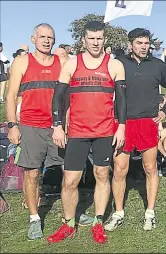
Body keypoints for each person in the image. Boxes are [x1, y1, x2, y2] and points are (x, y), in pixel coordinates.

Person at [47, 21, 126, 244]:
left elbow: (122, 100)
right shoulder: (72, 64)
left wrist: (121, 126)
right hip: (78, 131)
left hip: (104, 130)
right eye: (91, 38)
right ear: (84, 40)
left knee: (102, 175)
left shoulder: (115, 65)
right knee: (70, 179)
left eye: (99, 38)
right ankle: (68, 223)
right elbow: (58, 96)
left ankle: (98, 223)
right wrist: (57, 124)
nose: (95, 42)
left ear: (105, 39)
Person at [104, 28, 166, 232]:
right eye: (139, 43)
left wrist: (165, 112)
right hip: (123, 123)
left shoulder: (157, 65)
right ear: (130, 44)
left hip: (148, 122)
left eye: (146, 43)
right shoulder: (119, 63)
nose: (144, 47)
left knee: (150, 168)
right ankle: (118, 213)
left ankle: (150, 213)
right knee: (120, 170)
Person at [5, 23, 65, 241]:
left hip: (57, 127)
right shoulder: (22, 61)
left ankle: (70, 215)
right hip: (30, 126)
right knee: (31, 174)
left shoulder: (62, 62)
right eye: (42, 37)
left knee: (70, 171)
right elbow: (10, 96)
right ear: (33, 39)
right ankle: (34, 218)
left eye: (50, 37)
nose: (47, 41)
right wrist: (12, 125)